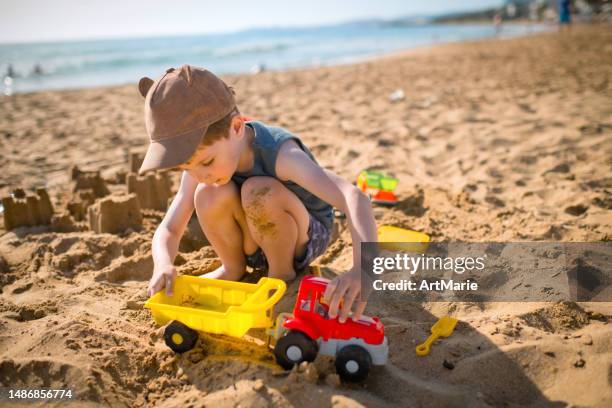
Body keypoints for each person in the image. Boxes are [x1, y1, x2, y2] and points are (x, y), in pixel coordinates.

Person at [141, 65, 377, 322]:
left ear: (237, 127)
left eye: (207, 163)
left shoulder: (281, 154)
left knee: (258, 191)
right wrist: (163, 264)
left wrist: (362, 270)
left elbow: (354, 197)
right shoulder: (199, 162)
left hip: (304, 236)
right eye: (186, 167)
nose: (198, 174)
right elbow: (170, 228)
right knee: (207, 193)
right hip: (254, 235)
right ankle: (233, 268)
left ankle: (281, 274)